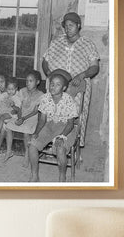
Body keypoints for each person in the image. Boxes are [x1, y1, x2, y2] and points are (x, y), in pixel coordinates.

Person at [41, 12, 99, 144]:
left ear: (78, 26)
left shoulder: (87, 44)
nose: (68, 28)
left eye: (71, 25)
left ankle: (72, 143)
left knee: (74, 115)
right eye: (66, 26)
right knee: (51, 113)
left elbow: (95, 67)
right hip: (55, 86)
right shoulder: (56, 42)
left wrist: (82, 75)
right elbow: (45, 61)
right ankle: (47, 142)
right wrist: (48, 73)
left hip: (77, 87)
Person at [28, 69, 79, 182]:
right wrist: (36, 133)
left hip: (66, 128)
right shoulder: (46, 98)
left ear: (64, 88)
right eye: (51, 84)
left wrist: (62, 136)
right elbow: (42, 120)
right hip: (50, 126)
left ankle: (62, 177)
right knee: (32, 145)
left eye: (57, 85)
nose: (53, 87)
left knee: (60, 148)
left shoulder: (68, 100)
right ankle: (34, 176)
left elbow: (70, 124)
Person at [0, 70, 44, 165]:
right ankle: (8, 151)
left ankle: (27, 156)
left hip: (31, 118)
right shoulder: (22, 91)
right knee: (9, 126)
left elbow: (35, 112)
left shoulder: (41, 95)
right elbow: (20, 108)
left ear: (37, 82)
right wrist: (19, 117)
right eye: (26, 81)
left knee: (26, 132)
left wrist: (23, 119)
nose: (28, 83)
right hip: (21, 116)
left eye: (31, 81)